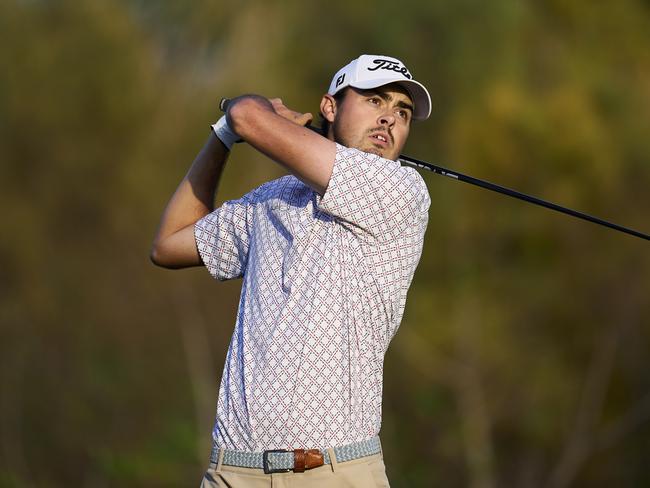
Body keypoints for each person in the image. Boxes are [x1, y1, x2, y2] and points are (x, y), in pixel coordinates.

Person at [151, 54, 432, 487]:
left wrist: (245, 112)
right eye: (375, 101)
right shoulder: (273, 197)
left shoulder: (399, 190)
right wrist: (223, 135)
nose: (389, 119)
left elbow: (247, 114)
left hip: (334, 471)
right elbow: (169, 243)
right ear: (330, 108)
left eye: (402, 111)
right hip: (234, 470)